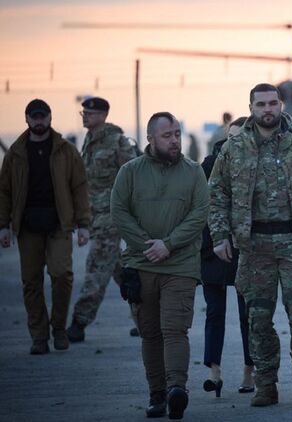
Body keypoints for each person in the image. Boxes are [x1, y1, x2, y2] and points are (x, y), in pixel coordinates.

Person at [208, 83, 292, 407]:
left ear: (281, 105)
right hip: (254, 246)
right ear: (251, 108)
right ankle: (266, 382)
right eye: (261, 105)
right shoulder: (234, 148)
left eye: (272, 103)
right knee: (258, 318)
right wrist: (220, 236)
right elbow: (216, 194)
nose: (267, 109)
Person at [110, 111, 209, 419]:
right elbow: (118, 211)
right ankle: (157, 394)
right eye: (167, 136)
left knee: (175, 329)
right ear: (150, 138)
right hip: (141, 266)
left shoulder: (193, 172)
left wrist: (169, 244)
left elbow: (200, 213)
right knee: (150, 334)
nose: (175, 140)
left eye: (177, 134)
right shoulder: (130, 172)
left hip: (180, 266)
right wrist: (146, 245)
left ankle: (177, 388)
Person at [0, 99, 90, 355]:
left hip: (59, 224)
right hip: (27, 226)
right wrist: (3, 225)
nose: (39, 121)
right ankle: (39, 337)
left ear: (50, 117)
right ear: (26, 119)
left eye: (43, 116)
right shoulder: (16, 153)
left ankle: (58, 327)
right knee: (31, 282)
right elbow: (4, 191)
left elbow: (79, 187)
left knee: (62, 275)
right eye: (34, 117)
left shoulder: (65, 151)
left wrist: (84, 224)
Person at [67, 97, 137, 343]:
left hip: (111, 217)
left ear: (104, 115)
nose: (85, 116)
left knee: (96, 268)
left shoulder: (117, 141)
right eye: (83, 112)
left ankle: (79, 322)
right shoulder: (89, 141)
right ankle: (145, 317)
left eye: (90, 113)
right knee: (120, 271)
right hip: (94, 217)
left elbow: (133, 176)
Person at [199, 117, 255, 396]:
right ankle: (214, 372)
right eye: (231, 137)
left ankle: (249, 371)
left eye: (241, 137)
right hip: (213, 247)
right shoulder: (209, 165)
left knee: (248, 315)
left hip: (246, 249)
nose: (234, 143)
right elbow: (199, 207)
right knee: (214, 312)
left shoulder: (256, 163)